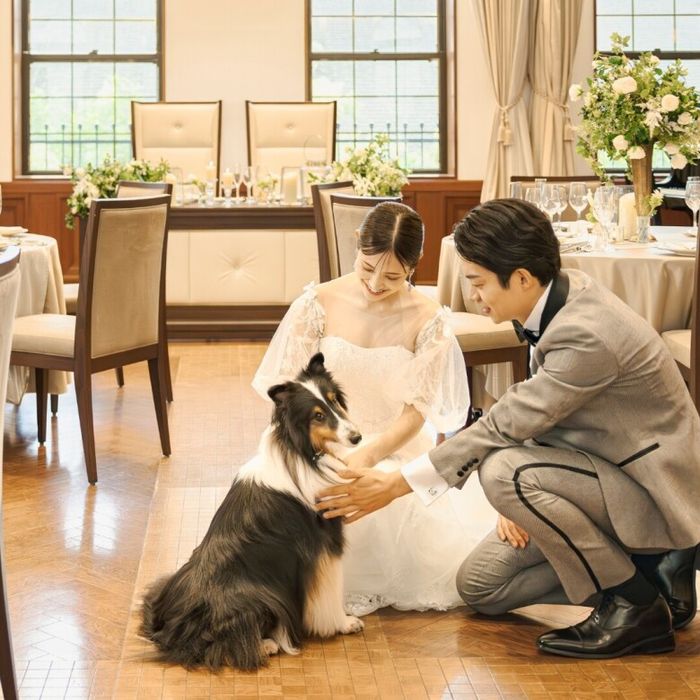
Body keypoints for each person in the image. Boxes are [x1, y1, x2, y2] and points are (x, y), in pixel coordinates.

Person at [316, 198, 700, 659]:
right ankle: (647, 574)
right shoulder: (559, 296)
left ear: (521, 278)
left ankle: (635, 605)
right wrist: (528, 503)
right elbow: (540, 415)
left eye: (478, 282)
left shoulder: (587, 332)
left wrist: (396, 485)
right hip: (592, 472)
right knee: (482, 586)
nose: (473, 296)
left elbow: (506, 423)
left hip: (651, 491)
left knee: (504, 473)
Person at [253, 201, 498, 615]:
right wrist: (319, 451)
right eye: (367, 268)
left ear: (414, 266)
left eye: (393, 276)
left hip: (392, 448)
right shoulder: (318, 303)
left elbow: (416, 412)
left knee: (372, 511)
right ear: (357, 245)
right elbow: (292, 394)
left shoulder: (428, 319)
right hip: (318, 442)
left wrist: (368, 455)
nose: (375, 283)